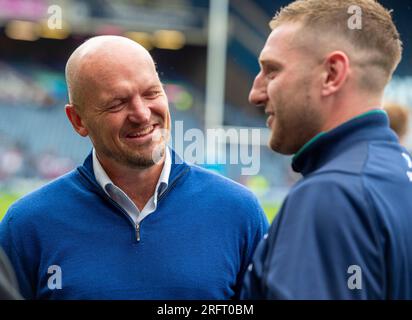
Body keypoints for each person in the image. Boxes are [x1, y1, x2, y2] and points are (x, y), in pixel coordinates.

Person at [0, 36, 268, 300]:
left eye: (152, 93)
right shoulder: (27, 226)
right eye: (117, 102)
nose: (141, 114)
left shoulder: (239, 212)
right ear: (78, 120)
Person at [241, 0, 412, 299]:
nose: (255, 93)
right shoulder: (398, 172)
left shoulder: (331, 194)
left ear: (332, 74)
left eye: (272, 71)